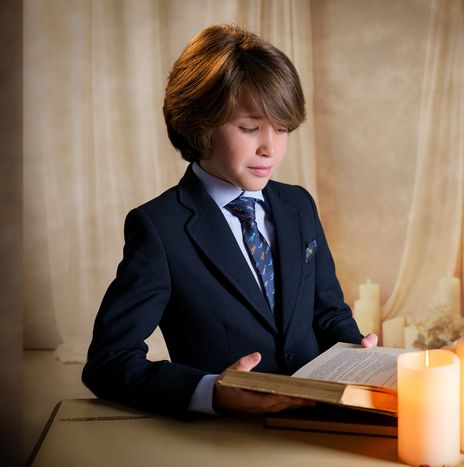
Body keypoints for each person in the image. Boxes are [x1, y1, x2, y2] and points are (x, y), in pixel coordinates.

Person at [82, 23, 377, 418]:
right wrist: (212, 392)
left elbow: (328, 312)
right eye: (250, 128)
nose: (270, 147)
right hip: (231, 438)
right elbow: (109, 361)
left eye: (283, 129)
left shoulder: (298, 205)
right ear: (199, 124)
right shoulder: (160, 229)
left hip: (323, 425)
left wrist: (356, 354)